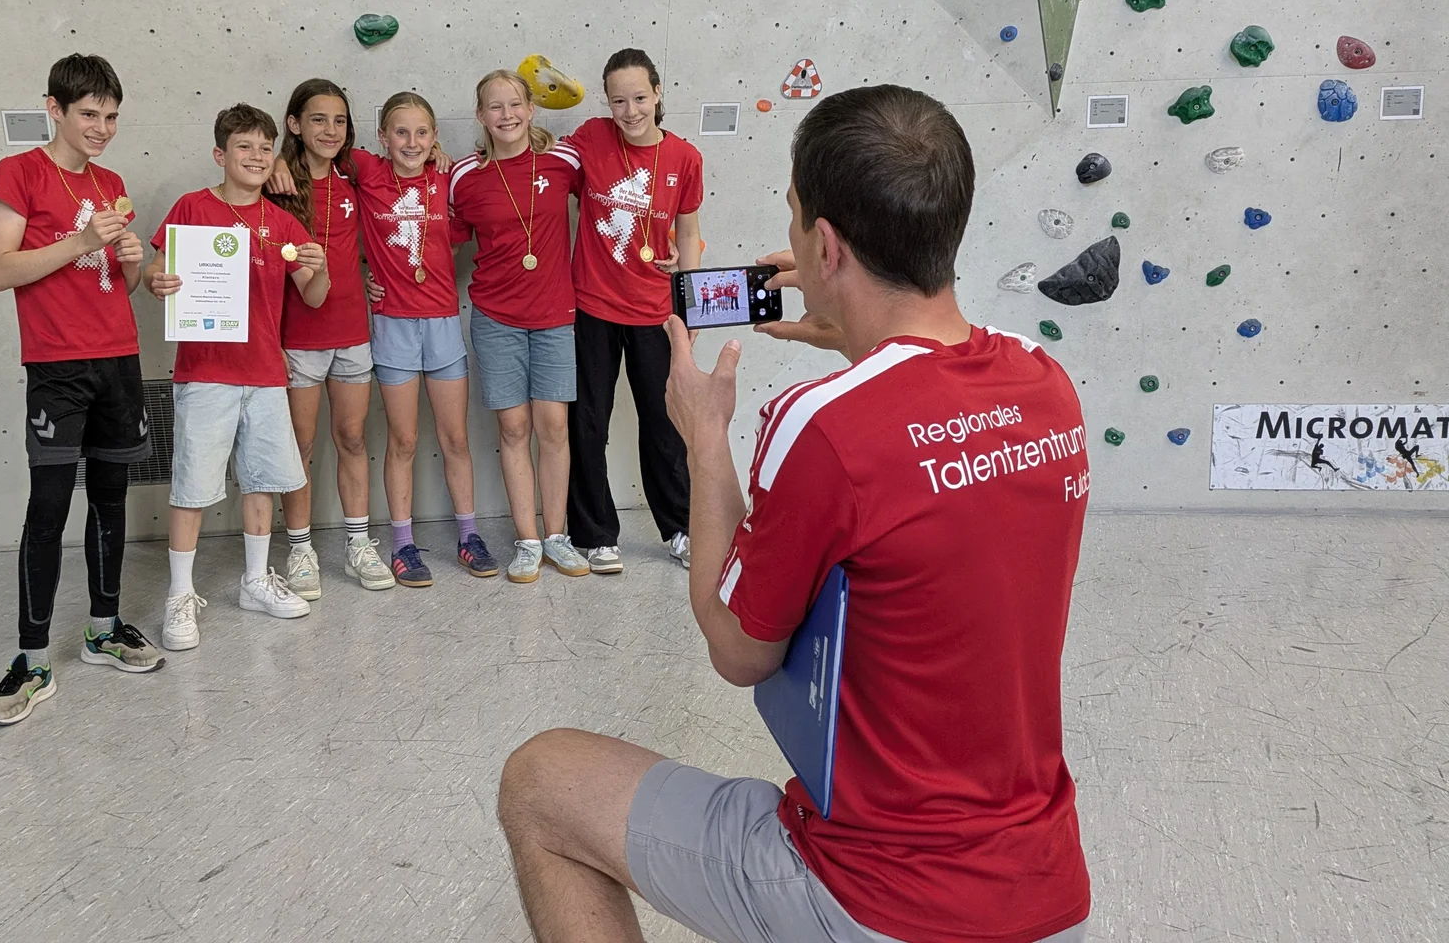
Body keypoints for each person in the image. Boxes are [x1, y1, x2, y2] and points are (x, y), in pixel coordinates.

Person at [496, 86, 1093, 943]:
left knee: (540, 779)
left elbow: (738, 652)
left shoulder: (823, 423)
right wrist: (856, 333)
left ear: (824, 243)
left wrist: (704, 438)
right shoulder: (1047, 383)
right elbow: (929, 420)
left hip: (879, 894)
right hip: (1048, 888)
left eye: (795, 214)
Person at [0, 54, 163, 728]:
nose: (102, 129)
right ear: (54, 108)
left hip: (118, 358)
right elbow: (0, 270)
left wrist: (139, 266)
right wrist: (81, 237)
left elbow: (117, 282)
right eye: (89, 114)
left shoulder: (113, 181)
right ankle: (30, 660)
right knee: (50, 507)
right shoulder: (18, 173)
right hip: (57, 366)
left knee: (112, 500)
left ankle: (103, 628)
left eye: (112, 117)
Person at [144, 104, 332, 651]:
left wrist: (318, 268)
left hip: (267, 373)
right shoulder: (193, 208)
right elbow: (157, 268)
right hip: (205, 372)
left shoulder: (283, 223)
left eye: (263, 147)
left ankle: (255, 580)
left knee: (262, 481)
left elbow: (313, 297)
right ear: (220, 155)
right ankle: (179, 595)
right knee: (193, 486)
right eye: (243, 147)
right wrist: (160, 281)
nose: (255, 156)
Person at [563, 48, 703, 576]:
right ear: (607, 101)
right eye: (619, 100)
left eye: (640, 97)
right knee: (588, 423)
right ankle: (595, 534)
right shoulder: (590, 138)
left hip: (654, 310)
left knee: (664, 425)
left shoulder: (685, 158)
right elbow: (546, 168)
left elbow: (687, 232)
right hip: (592, 306)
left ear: (658, 93)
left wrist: (686, 311)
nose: (630, 110)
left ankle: (680, 528)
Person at [349, 93, 499, 584]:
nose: (411, 142)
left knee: (455, 437)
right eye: (400, 132)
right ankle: (402, 543)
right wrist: (363, 269)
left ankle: (468, 534)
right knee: (404, 439)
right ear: (382, 138)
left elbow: (470, 222)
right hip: (392, 323)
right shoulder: (368, 173)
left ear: (435, 137)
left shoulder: (447, 180)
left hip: (441, 323)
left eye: (421, 133)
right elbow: (318, 146)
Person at [447, 70, 590, 584]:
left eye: (515, 105)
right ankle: (527, 541)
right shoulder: (463, 176)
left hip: (555, 314)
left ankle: (557, 535)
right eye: (494, 107)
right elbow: (441, 240)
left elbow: (615, 196)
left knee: (554, 426)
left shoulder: (564, 161)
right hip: (495, 318)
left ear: (531, 110)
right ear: (481, 116)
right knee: (514, 428)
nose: (506, 115)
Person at [268, 79, 396, 597]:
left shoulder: (355, 175)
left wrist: (434, 147)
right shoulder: (274, 184)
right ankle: (300, 551)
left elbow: (408, 157)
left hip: (352, 334)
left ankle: (358, 545)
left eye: (340, 120)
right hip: (298, 339)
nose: (330, 130)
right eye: (318, 119)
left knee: (352, 439)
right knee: (297, 444)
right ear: (295, 124)